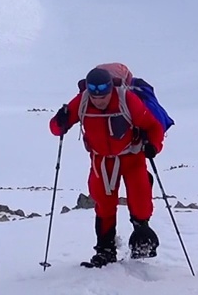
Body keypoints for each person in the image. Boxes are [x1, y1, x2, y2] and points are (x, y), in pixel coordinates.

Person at [49, 65, 168, 267]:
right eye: (95, 97)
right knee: (103, 203)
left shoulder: (126, 99)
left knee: (140, 198)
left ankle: (142, 240)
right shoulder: (83, 100)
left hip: (132, 156)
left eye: (103, 96)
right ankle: (105, 250)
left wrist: (153, 146)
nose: (99, 100)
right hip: (101, 161)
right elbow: (56, 128)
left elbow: (153, 126)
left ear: (110, 90)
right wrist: (60, 119)